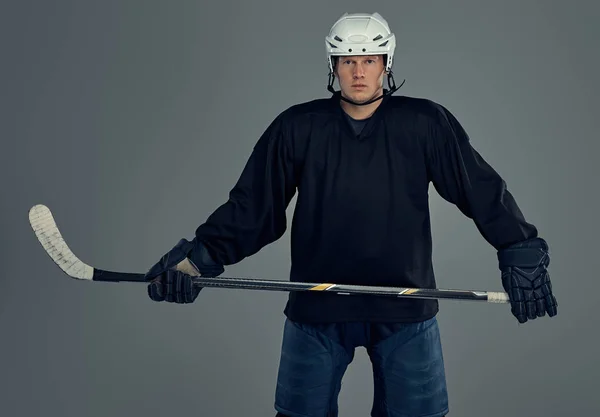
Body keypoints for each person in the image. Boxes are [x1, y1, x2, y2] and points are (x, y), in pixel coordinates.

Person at [144, 12, 558, 417]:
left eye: (369, 60)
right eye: (348, 61)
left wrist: (519, 246)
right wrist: (197, 258)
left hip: (406, 309)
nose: (358, 71)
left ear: (385, 65)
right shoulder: (297, 126)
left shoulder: (425, 122)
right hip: (317, 309)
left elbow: (479, 188)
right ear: (334, 66)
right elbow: (254, 208)